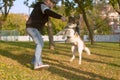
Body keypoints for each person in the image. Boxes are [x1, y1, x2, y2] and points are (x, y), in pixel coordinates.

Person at [26, 0, 66, 70]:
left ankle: (34, 61)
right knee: (39, 44)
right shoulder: (43, 5)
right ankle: (37, 64)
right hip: (32, 28)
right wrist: (60, 17)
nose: (53, 5)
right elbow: (48, 12)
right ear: (47, 1)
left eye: (54, 4)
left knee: (41, 44)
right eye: (53, 3)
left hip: (33, 28)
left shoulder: (41, 7)